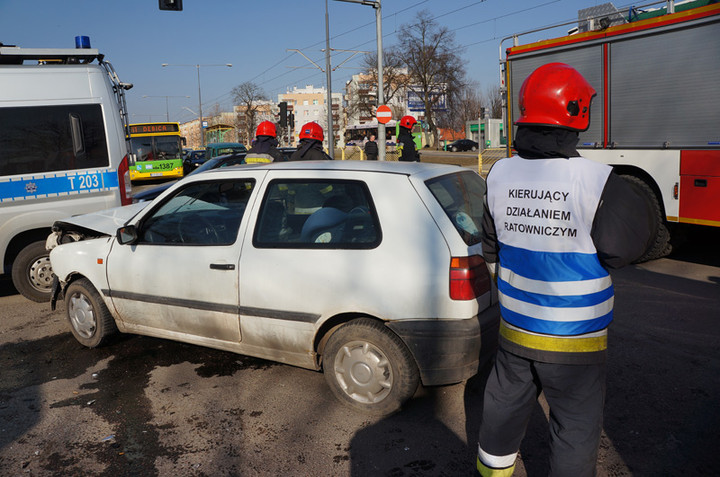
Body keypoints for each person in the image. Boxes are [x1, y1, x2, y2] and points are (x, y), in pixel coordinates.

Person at [476, 63, 652, 477]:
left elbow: (490, 244)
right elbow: (620, 251)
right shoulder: (597, 180)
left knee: (500, 415)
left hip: (515, 331)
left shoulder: (499, 173)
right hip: (576, 341)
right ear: (576, 114)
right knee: (574, 429)